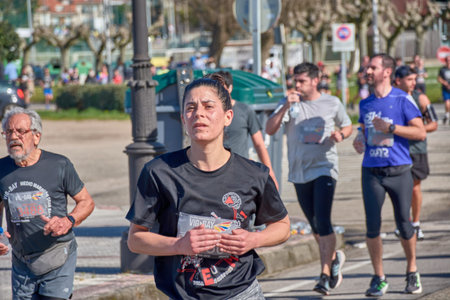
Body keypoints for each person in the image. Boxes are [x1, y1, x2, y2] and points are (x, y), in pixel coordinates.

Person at [126, 78, 290, 299]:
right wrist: (179, 245)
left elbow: (282, 226)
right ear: (184, 119)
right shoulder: (159, 172)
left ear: (228, 117)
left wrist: (254, 239)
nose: (199, 114)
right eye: (191, 108)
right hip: (182, 294)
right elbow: (135, 239)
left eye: (208, 106)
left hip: (241, 292)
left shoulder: (254, 174)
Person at [266, 62, 352, 296]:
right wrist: (285, 105)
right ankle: (334, 260)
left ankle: (324, 275)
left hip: (325, 168)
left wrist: (340, 135)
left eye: (302, 80)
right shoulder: (290, 104)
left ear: (315, 80)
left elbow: (347, 125)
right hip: (299, 172)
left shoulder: (331, 102)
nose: (297, 85)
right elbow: (270, 129)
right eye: (295, 80)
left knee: (323, 220)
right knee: (315, 225)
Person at [0, 107, 95, 299]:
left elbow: (86, 202)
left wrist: (68, 220)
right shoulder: (1, 169)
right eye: (8, 132)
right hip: (22, 261)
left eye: (21, 131)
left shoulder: (59, 165)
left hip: (57, 255)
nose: (13, 137)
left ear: (36, 136)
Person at [352, 54, 426, 296]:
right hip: (371, 170)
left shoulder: (402, 99)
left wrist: (392, 128)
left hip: (399, 170)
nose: (368, 70)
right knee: (372, 227)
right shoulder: (366, 103)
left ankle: (412, 270)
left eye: (373, 67)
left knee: (404, 224)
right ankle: (379, 277)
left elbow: (420, 132)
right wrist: (359, 139)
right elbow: (364, 129)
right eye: (368, 67)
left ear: (386, 71)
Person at [205, 71, 278, 189]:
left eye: (222, 89)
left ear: (230, 88)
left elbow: (259, 144)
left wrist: (270, 173)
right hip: (214, 172)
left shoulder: (244, 110)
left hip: (239, 172)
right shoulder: (207, 114)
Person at [394, 66, 438, 240]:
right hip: (397, 149)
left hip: (416, 149)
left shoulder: (420, 98)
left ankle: (416, 223)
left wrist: (414, 130)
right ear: (398, 80)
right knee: (399, 189)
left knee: (414, 187)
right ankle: (403, 222)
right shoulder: (391, 97)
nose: (414, 83)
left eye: (415, 79)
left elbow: (433, 123)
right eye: (410, 80)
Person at [437, 55, 450, 124]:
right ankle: (447, 115)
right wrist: (445, 83)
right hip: (446, 89)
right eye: (447, 60)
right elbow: (439, 78)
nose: (448, 61)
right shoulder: (442, 69)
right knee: (447, 103)